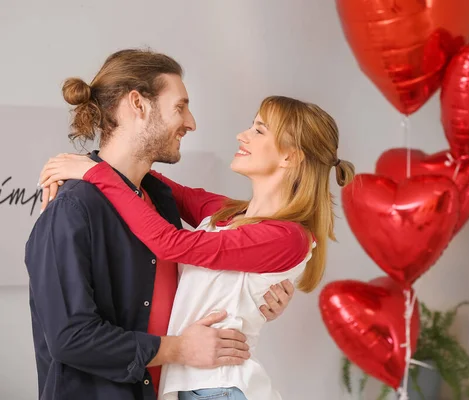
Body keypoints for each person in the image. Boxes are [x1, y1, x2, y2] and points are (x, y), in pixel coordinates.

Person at [38, 93, 355, 400]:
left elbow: (170, 244)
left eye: (259, 130)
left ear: (290, 155)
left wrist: (95, 173)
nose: (242, 135)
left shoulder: (286, 237)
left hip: (219, 390)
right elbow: (148, 180)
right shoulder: (229, 214)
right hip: (199, 388)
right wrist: (96, 163)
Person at [25, 49, 295, 400]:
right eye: (180, 107)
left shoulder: (161, 201)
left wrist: (254, 295)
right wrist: (179, 350)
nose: (191, 122)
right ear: (138, 104)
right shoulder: (74, 208)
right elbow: (71, 338)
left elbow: (183, 291)